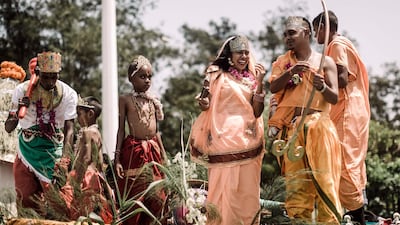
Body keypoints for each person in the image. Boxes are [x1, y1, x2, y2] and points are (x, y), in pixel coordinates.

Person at [268, 16, 342, 224]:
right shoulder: (283, 63)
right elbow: (273, 87)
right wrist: (292, 71)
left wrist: (321, 87)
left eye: (291, 33)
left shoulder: (325, 62)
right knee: (296, 184)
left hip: (319, 125)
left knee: (324, 179)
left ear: (306, 33)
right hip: (293, 128)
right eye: (285, 34)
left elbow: (334, 97)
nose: (287, 38)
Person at [190, 35, 266, 225]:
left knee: (247, 191)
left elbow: (257, 112)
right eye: (239, 52)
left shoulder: (251, 79)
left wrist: (261, 81)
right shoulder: (217, 74)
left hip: (248, 141)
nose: (244, 56)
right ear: (229, 55)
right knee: (223, 189)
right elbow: (205, 102)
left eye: (246, 52)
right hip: (223, 140)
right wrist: (203, 102)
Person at [313, 11, 370, 225]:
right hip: (349, 109)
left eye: (315, 31)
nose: (315, 37)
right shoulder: (336, 45)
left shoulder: (336, 45)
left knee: (345, 161)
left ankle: (358, 218)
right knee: (343, 161)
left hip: (348, 110)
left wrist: (318, 81)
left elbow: (343, 79)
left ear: (322, 27)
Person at [4, 52, 78, 214]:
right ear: (37, 73)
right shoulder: (21, 90)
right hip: (26, 151)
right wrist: (18, 110)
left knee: (59, 205)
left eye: (54, 77)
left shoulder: (69, 94)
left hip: (53, 152)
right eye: (46, 77)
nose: (50, 82)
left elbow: (70, 129)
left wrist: (65, 160)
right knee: (25, 203)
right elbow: (9, 127)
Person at [114, 55, 166, 225]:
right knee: (135, 195)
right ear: (131, 78)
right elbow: (121, 129)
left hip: (153, 151)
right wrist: (117, 159)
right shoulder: (125, 100)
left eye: (150, 76)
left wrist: (164, 158)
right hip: (134, 151)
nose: (147, 80)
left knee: (158, 196)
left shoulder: (153, 101)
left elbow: (156, 132)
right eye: (142, 76)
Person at [55, 96, 113, 223]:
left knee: (79, 212)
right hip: (92, 177)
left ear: (90, 114)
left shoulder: (89, 132)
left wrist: (76, 184)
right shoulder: (95, 132)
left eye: (79, 113)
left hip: (85, 178)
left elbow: (86, 159)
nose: (76, 117)